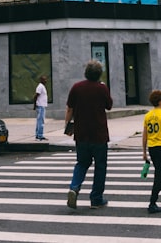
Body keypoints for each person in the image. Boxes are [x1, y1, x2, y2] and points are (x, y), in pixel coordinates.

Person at [65, 59, 113, 209]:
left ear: (86, 72)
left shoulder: (76, 87)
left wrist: (67, 126)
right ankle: (96, 198)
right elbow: (109, 106)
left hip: (81, 134)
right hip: (99, 134)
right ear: (99, 74)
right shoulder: (102, 88)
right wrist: (104, 87)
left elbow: (69, 109)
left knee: (82, 163)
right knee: (100, 166)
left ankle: (74, 187)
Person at [33, 75, 48, 140]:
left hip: (42, 106)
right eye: (44, 79)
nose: (45, 81)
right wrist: (35, 105)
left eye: (46, 79)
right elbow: (35, 96)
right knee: (41, 121)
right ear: (41, 80)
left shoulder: (42, 87)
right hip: (40, 106)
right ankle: (40, 135)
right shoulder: (40, 87)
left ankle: (38, 135)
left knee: (39, 121)